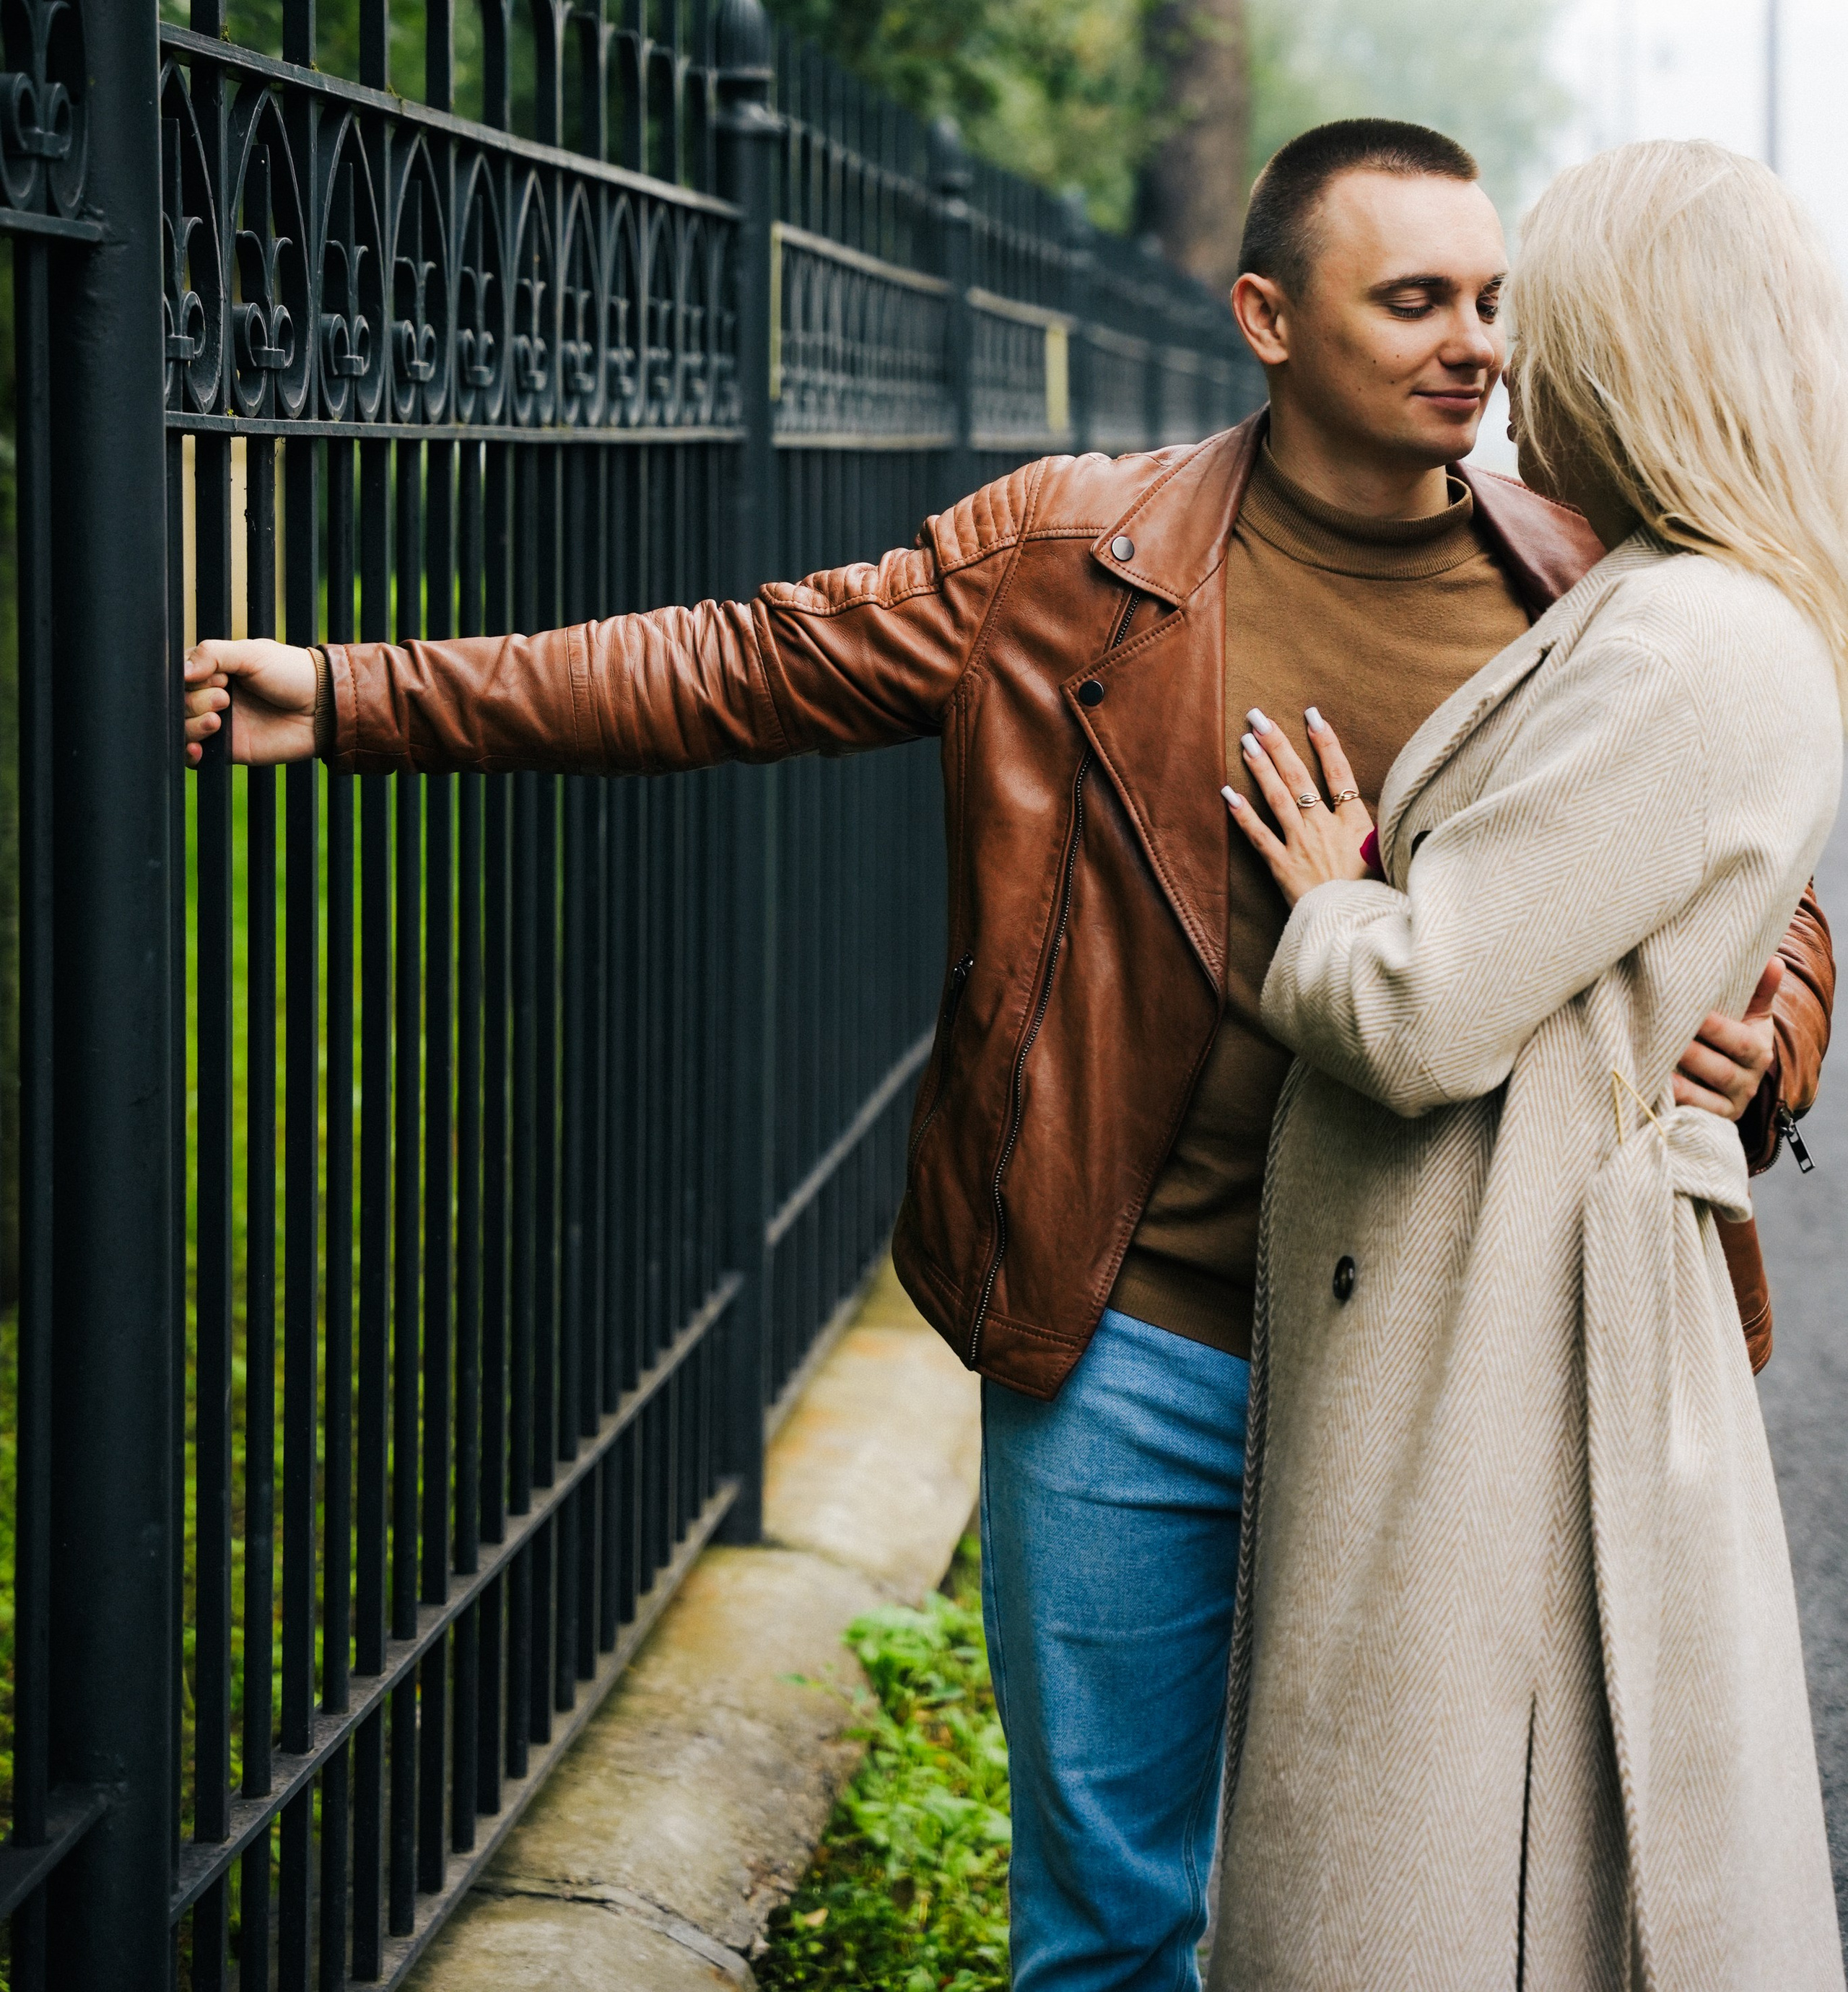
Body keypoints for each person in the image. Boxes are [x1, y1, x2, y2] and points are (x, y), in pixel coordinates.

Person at [183, 121, 1833, 1992]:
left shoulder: (1582, 579)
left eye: (1491, 298)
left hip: (1445, 1375)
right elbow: (737, 665)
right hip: (1135, 1333)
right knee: (1113, 1914)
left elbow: (1737, 868)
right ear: (1267, 319)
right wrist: (359, 695)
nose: (1476, 344)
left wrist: (1771, 1030)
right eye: (1415, 300)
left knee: (1401, 1906)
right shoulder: (1075, 560)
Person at [1211, 136, 1847, 1991]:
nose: (1501, 357)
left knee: (1442, 1864)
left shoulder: (1691, 639)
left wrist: (1331, 901)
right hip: (1476, 1304)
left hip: (1504, 1326)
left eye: (1532, 318)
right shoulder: (1670, 602)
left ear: (1630, 354)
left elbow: (1419, 1010)